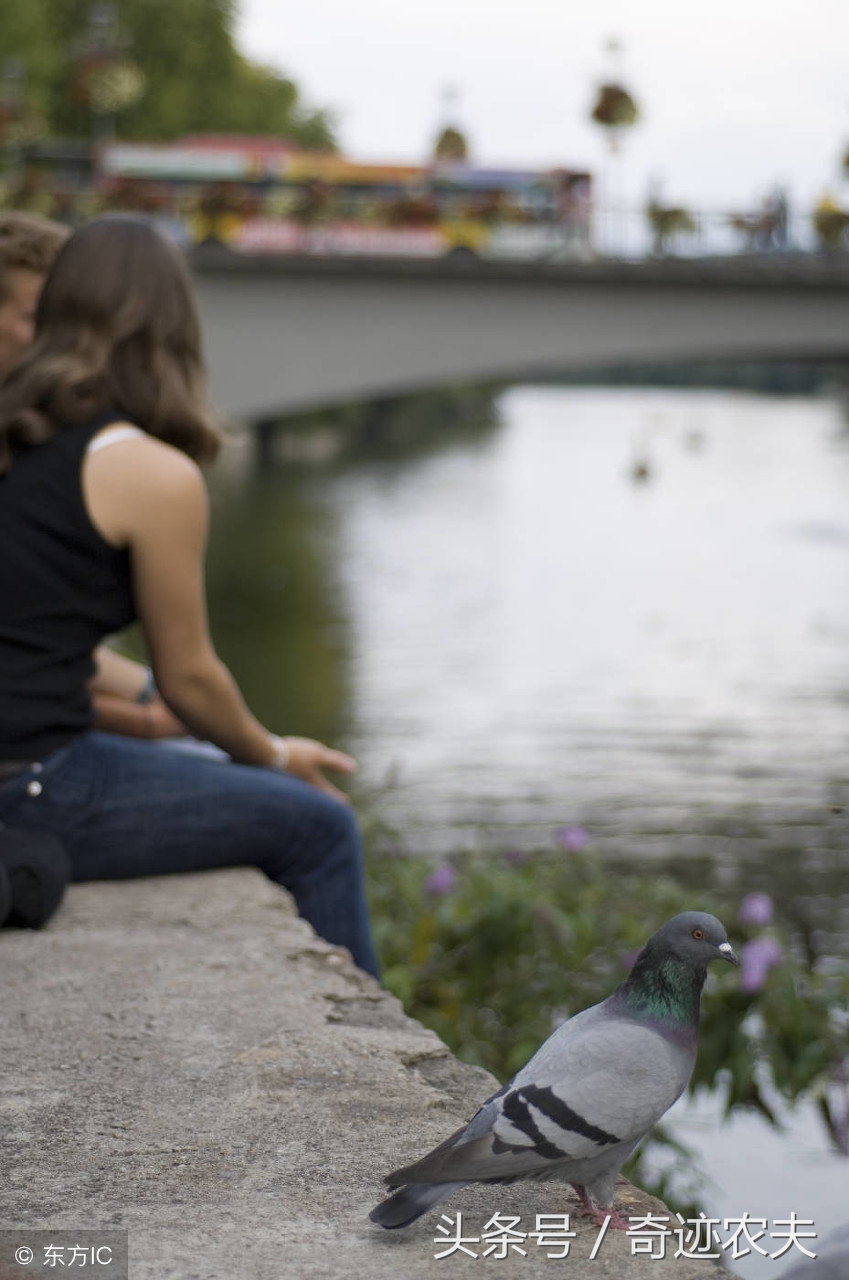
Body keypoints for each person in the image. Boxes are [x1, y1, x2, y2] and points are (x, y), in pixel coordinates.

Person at [0, 213, 379, 976]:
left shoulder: (16, 435)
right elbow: (192, 678)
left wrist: (169, 711)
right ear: (169, 324)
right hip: (34, 784)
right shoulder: (150, 472)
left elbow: (30, 628)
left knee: (209, 754)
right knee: (319, 827)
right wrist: (271, 753)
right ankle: (394, 1092)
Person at [0, 211, 204, 743]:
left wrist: (150, 693)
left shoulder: (31, 438)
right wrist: (141, 717)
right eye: (42, 318)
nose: (63, 341)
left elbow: (26, 646)